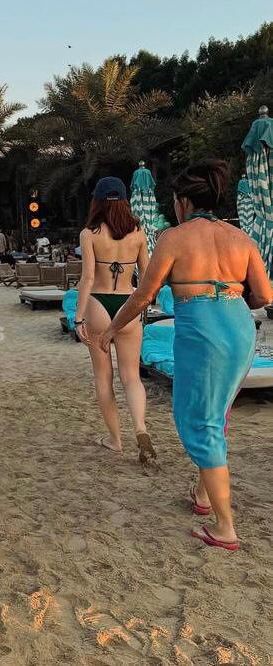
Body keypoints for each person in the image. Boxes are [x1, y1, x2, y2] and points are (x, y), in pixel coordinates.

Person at [99, 160, 273, 551]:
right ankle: (204, 495)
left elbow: (144, 295)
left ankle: (225, 528)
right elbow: (264, 295)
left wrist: (112, 328)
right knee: (216, 412)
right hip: (239, 328)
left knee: (198, 420)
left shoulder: (173, 238)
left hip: (202, 332)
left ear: (182, 202)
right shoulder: (241, 238)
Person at [75, 176, 153, 460]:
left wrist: (78, 317)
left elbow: (88, 278)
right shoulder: (139, 233)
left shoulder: (89, 234)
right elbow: (146, 277)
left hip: (98, 304)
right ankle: (140, 427)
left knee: (103, 377)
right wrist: (143, 307)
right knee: (131, 376)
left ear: (96, 200)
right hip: (127, 305)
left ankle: (115, 440)